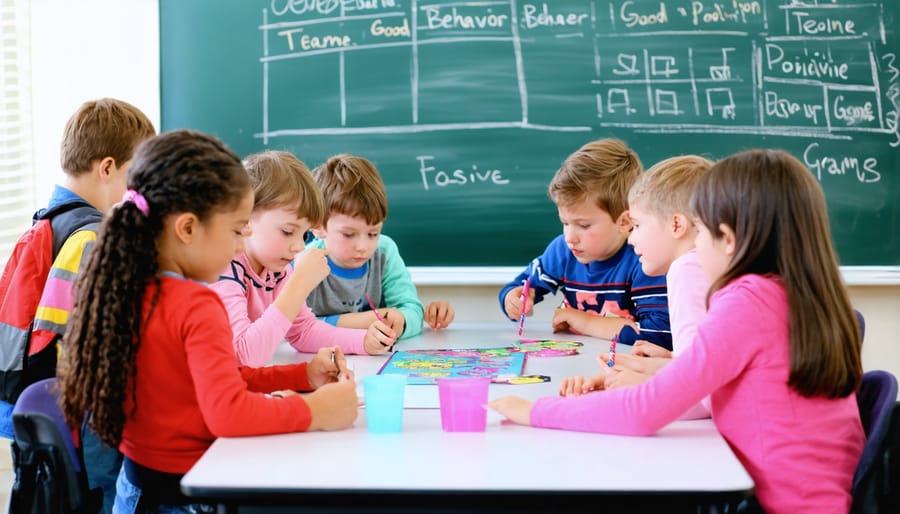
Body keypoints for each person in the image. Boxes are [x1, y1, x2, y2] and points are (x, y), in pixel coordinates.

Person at [489, 149, 865, 514]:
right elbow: (710, 379)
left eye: (699, 230)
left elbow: (643, 412)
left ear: (728, 238)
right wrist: (652, 374)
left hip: (774, 503)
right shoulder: (792, 292)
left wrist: (535, 411)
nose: (693, 247)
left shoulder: (748, 304)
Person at [58, 130, 358, 513]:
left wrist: (299, 376)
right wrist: (316, 412)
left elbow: (215, 377)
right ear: (187, 229)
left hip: (137, 492)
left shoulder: (129, 287)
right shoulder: (196, 304)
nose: (239, 246)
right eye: (236, 230)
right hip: (184, 496)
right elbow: (228, 412)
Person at [18, 98, 155, 514]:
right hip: (88, 405)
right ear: (108, 167)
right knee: (106, 494)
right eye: (136, 175)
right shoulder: (91, 236)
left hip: (42, 397)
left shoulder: (50, 218)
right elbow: (84, 338)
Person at [560, 155, 714, 420]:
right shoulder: (705, 264)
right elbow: (707, 365)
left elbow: (699, 390)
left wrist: (635, 390)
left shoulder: (686, 271)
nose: (631, 239)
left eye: (638, 225)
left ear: (677, 225)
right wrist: (669, 360)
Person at [211, 150, 396, 365]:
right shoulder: (222, 270)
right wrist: (298, 284)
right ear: (245, 218)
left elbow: (302, 330)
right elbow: (242, 356)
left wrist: (363, 341)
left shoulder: (277, 269)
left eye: (304, 234)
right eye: (288, 232)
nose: (299, 246)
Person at [498, 138, 671, 348]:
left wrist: (582, 321)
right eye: (564, 222)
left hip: (625, 369)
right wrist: (513, 300)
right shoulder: (563, 250)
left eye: (584, 225)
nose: (570, 237)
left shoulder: (644, 259)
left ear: (624, 222)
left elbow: (659, 334)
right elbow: (520, 286)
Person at [306, 154, 454, 343]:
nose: (363, 247)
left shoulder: (384, 251)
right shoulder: (304, 263)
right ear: (318, 226)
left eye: (373, 233)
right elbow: (296, 328)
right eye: (348, 234)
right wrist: (363, 321)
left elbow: (412, 310)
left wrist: (401, 319)